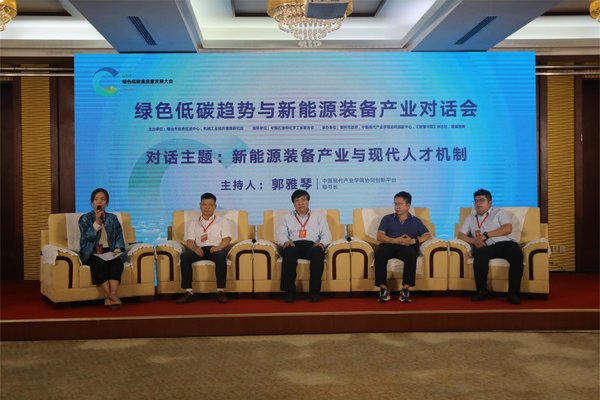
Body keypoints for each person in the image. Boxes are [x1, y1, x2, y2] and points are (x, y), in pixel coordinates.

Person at [458, 188, 523, 305]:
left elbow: (507, 228)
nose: (478, 203)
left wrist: (486, 235)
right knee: (479, 255)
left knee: (517, 254)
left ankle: (513, 294)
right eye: (475, 200)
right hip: (487, 247)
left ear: (490, 202)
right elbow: (461, 235)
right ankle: (481, 291)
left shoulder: (499, 212)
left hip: (506, 244)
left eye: (481, 200)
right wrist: (474, 241)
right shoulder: (470, 217)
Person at [375, 191, 432, 303]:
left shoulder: (416, 221)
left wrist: (414, 241)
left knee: (411, 254)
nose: (397, 207)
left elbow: (428, 235)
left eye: (400, 204)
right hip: (389, 245)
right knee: (380, 253)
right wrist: (395, 240)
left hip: (407, 247)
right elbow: (379, 236)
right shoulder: (387, 218)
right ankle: (383, 289)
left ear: (408, 205)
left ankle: (405, 289)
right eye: (395, 204)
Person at [276, 189, 332, 303]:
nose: (300, 203)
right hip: (293, 244)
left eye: (303, 200)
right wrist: (286, 241)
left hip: (312, 245)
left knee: (318, 252)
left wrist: (321, 243)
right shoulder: (287, 217)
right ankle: (289, 292)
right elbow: (280, 233)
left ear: (308, 201)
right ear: (293, 203)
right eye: (297, 201)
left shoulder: (318, 216)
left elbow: (327, 234)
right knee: (289, 251)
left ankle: (314, 292)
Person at [176, 192, 232, 304]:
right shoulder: (193, 222)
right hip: (199, 249)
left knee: (221, 256)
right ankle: (188, 291)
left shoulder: (222, 221)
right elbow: (189, 241)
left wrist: (219, 247)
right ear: (200, 205)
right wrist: (194, 248)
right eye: (204, 204)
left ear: (215, 206)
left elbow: (227, 239)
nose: (207, 207)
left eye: (210, 205)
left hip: (215, 249)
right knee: (185, 256)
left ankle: (220, 291)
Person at [79, 188, 126, 308]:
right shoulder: (85, 218)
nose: (99, 202)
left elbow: (119, 235)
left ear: (107, 203)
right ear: (92, 203)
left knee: (117, 263)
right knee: (97, 264)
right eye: (96, 199)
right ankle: (111, 296)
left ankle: (112, 296)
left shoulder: (112, 218)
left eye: (103, 199)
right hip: (92, 252)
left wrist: (117, 250)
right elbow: (87, 237)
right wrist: (97, 222)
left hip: (109, 251)